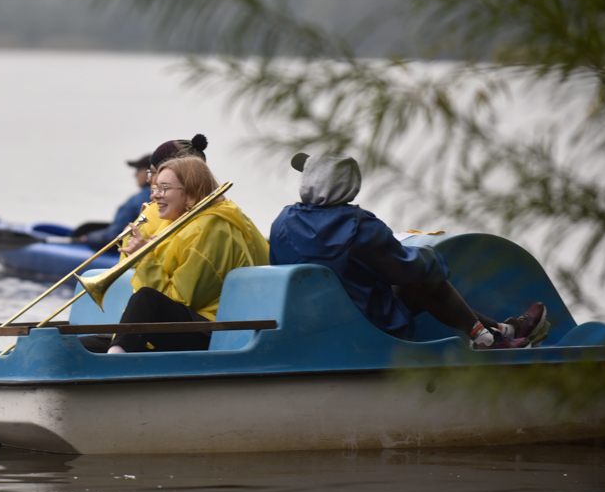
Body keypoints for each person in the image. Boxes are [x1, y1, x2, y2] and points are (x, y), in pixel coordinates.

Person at [267, 151, 547, 349]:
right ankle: (490, 337)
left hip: (310, 321)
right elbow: (413, 268)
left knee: (406, 284)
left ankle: (498, 333)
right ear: (349, 187)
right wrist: (429, 254)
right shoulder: (359, 227)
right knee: (418, 281)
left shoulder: (282, 222)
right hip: (363, 323)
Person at [82, 156, 270, 354]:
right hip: (176, 326)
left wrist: (146, 258)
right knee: (83, 346)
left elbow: (179, 300)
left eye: (164, 188)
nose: (155, 196)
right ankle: (114, 358)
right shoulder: (178, 222)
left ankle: (114, 366)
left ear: (190, 191)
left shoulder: (208, 230)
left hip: (209, 330)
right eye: (155, 189)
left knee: (146, 299)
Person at [79, 154, 153, 249]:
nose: (135, 174)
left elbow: (114, 235)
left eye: (138, 170)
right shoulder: (163, 197)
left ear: (150, 173)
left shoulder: (139, 199)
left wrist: (88, 238)